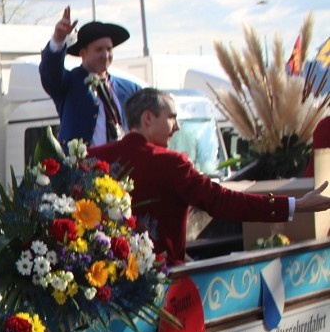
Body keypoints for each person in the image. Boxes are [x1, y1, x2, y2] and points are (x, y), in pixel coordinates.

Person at [88, 88, 330, 264]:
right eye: (172, 117)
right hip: (163, 286)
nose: (177, 127)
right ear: (148, 118)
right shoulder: (171, 163)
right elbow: (223, 202)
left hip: (105, 285)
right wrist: (295, 205)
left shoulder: (93, 157)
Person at [39, 7, 141, 147]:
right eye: (99, 50)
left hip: (124, 165)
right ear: (83, 53)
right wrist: (58, 38)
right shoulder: (68, 83)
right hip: (85, 166)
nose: (105, 55)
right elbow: (50, 73)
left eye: (109, 49)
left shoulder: (130, 88)